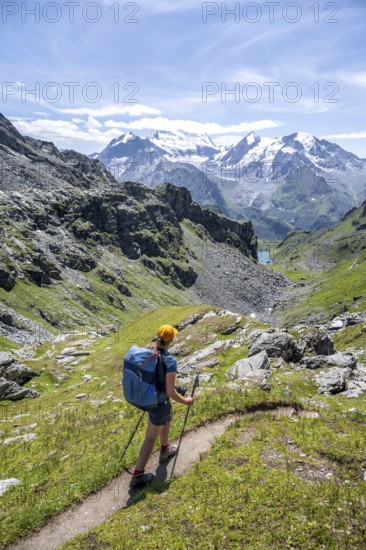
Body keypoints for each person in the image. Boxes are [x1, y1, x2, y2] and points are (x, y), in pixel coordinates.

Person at [131, 324, 194, 487]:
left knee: (166, 419)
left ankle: (165, 450)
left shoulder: (149, 351)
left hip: (152, 398)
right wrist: (186, 401)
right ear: (170, 340)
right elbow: (170, 391)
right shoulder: (170, 361)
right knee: (150, 438)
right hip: (159, 403)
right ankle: (138, 475)